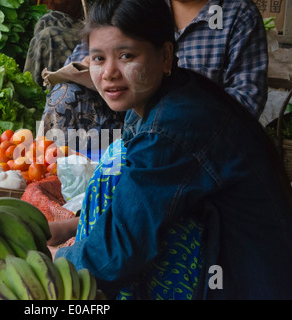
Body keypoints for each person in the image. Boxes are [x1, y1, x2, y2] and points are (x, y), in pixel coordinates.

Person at [50, 0, 292, 300]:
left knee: (117, 235)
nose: (109, 72)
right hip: (233, 253)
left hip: (245, 278)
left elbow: (122, 248)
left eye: (127, 55)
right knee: (116, 166)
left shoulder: (173, 126)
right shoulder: (160, 99)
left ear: (165, 56)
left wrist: (54, 264)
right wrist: (66, 230)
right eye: (98, 58)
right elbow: (139, 202)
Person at [27, 0, 268, 153]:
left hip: (195, 136)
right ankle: (64, 182)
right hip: (123, 123)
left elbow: (246, 100)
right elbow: (82, 58)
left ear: (166, 55)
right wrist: (103, 62)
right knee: (65, 95)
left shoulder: (237, 13)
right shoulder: (135, 4)